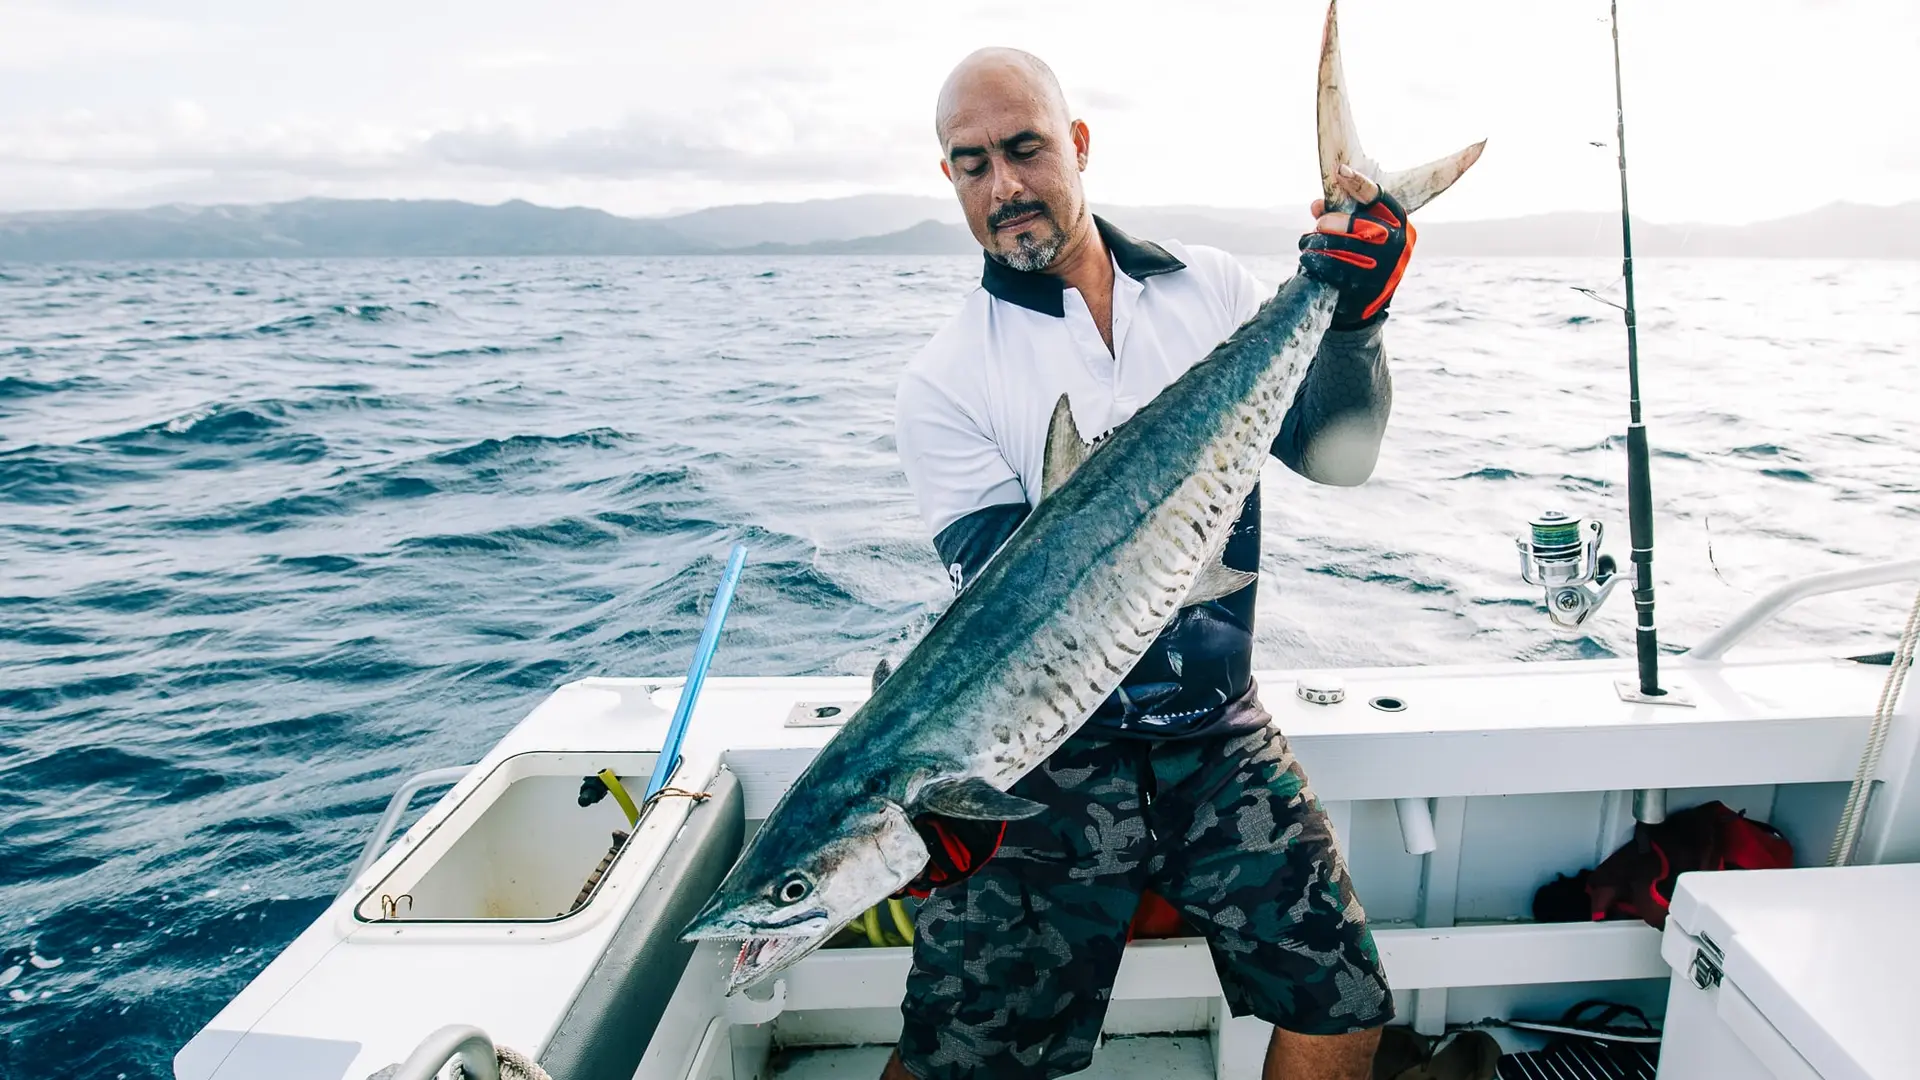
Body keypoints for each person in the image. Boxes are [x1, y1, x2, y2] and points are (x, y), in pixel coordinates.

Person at [886, 46, 1414, 1080]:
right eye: (971, 163)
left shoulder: (1209, 288)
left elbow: (1337, 458)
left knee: (1344, 1004)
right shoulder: (945, 380)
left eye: (1026, 149)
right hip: (1053, 763)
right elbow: (1015, 612)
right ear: (947, 178)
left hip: (1221, 733)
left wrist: (1356, 319)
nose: (1004, 188)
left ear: (1078, 145)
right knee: (957, 1056)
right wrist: (945, 786)